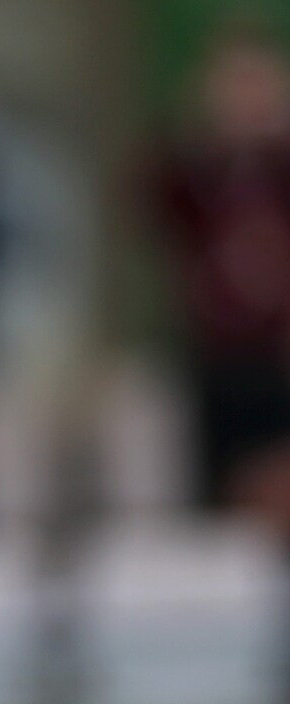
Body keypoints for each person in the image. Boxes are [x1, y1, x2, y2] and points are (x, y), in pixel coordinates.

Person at [154, 22, 290, 515]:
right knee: (218, 491)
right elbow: (159, 200)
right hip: (218, 356)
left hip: (279, 354)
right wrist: (207, 138)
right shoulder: (203, 174)